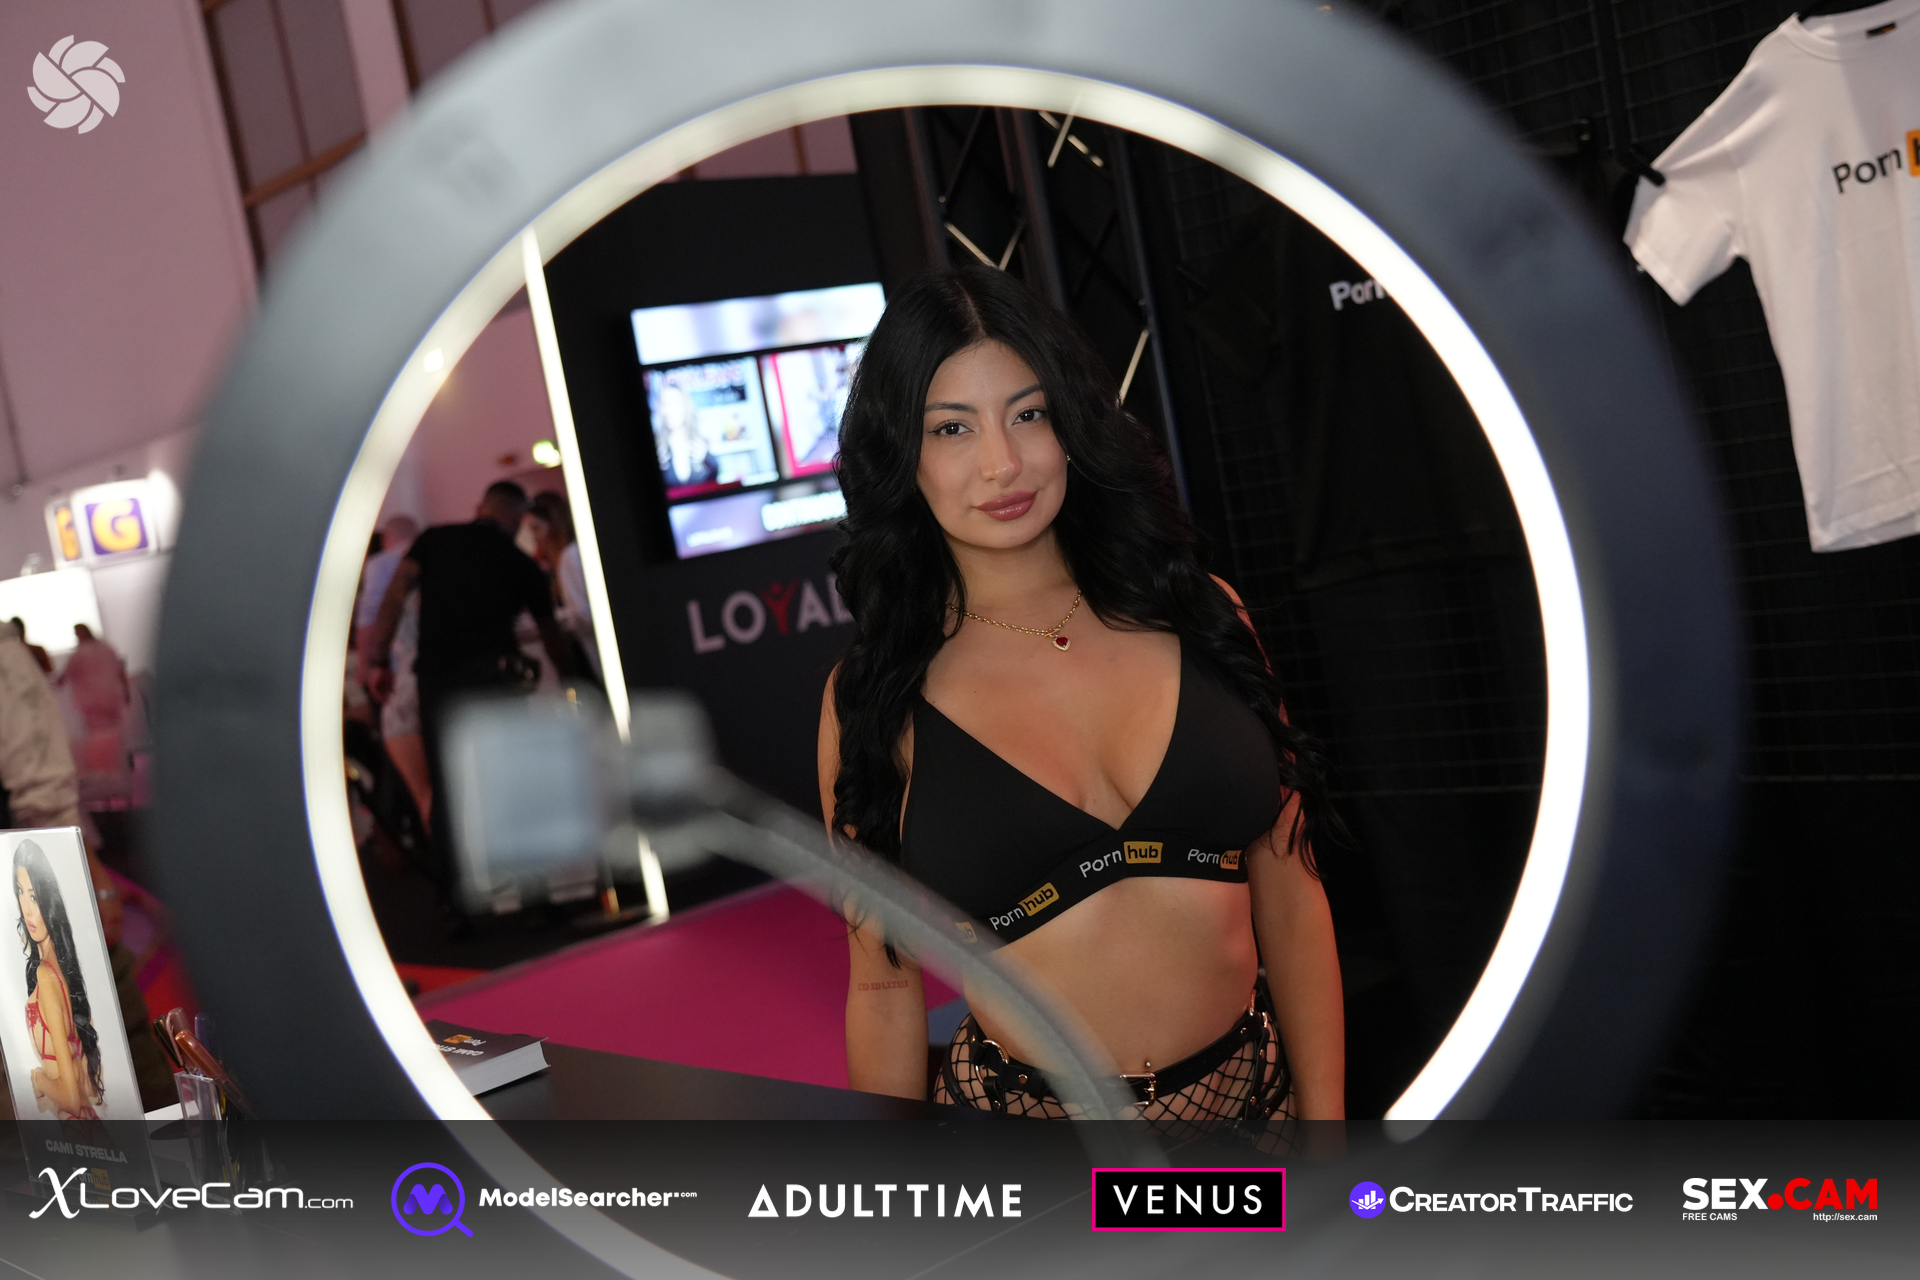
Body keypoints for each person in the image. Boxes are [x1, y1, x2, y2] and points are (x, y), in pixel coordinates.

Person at [820, 265, 1345, 1144]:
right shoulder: (875, 698)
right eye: (952, 428)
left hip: (1254, 1121)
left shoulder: (1202, 616)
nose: (1002, 463)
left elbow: (1291, 891)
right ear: (901, 454)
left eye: (1028, 415)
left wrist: (1327, 1135)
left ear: (1072, 423)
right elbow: (881, 984)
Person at [363, 482, 577, 921]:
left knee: (448, 790)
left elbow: (395, 598)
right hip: (497, 678)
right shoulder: (521, 564)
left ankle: (456, 903)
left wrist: (379, 662)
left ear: (480, 508)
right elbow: (551, 635)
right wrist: (572, 679)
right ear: (518, 518)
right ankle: (536, 897)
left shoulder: (434, 540)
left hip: (439, 680)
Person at [0, 621, 173, 1111]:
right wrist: (92, 878)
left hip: (25, 885)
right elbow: (44, 796)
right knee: (108, 1037)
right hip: (30, 886)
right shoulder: (6, 659)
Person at [13, 839, 103, 1120]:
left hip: (78, 1130)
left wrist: (38, 1079)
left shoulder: (47, 975)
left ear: (48, 901)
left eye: (34, 896)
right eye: (20, 892)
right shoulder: (60, 970)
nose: (27, 909)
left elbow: (73, 1100)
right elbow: (86, 1087)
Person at [356, 515, 432, 826]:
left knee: (409, 779)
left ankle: (401, 830)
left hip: (398, 679)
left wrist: (368, 667)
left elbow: (370, 617)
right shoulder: (433, 561)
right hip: (432, 677)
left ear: (386, 539)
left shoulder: (380, 565)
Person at [528, 491, 601, 683]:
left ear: (554, 524)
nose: (535, 537)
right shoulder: (567, 555)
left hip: (593, 650)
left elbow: (586, 613)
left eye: (537, 528)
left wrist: (553, 619)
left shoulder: (570, 556)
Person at [56, 624, 129, 734]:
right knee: (116, 728)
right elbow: (120, 670)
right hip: (112, 696)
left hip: (93, 701)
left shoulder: (81, 653)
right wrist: (126, 691)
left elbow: (65, 676)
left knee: (100, 732)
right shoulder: (107, 648)